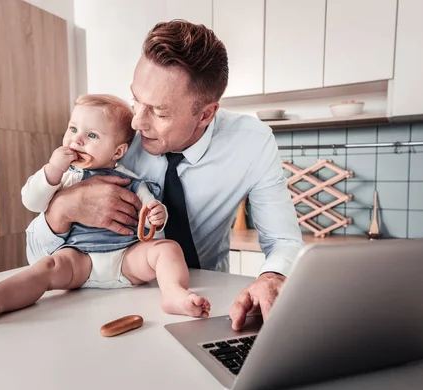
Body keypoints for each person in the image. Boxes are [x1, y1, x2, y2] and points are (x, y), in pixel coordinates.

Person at [27, 20, 304, 330]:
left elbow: (283, 240)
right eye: (135, 100)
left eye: (158, 112)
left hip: (207, 301)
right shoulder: (112, 136)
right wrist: (63, 209)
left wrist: (272, 276)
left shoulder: (251, 142)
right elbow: (35, 256)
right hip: (105, 302)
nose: (137, 123)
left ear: (205, 114)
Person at [0, 94, 210, 325]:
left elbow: (152, 221)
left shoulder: (132, 180)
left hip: (127, 259)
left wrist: (157, 216)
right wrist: (53, 170)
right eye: (72, 129)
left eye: (91, 135)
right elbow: (31, 201)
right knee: (47, 266)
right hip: (79, 260)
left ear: (118, 151)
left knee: (168, 248)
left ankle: (173, 293)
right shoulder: (64, 177)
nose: (76, 141)